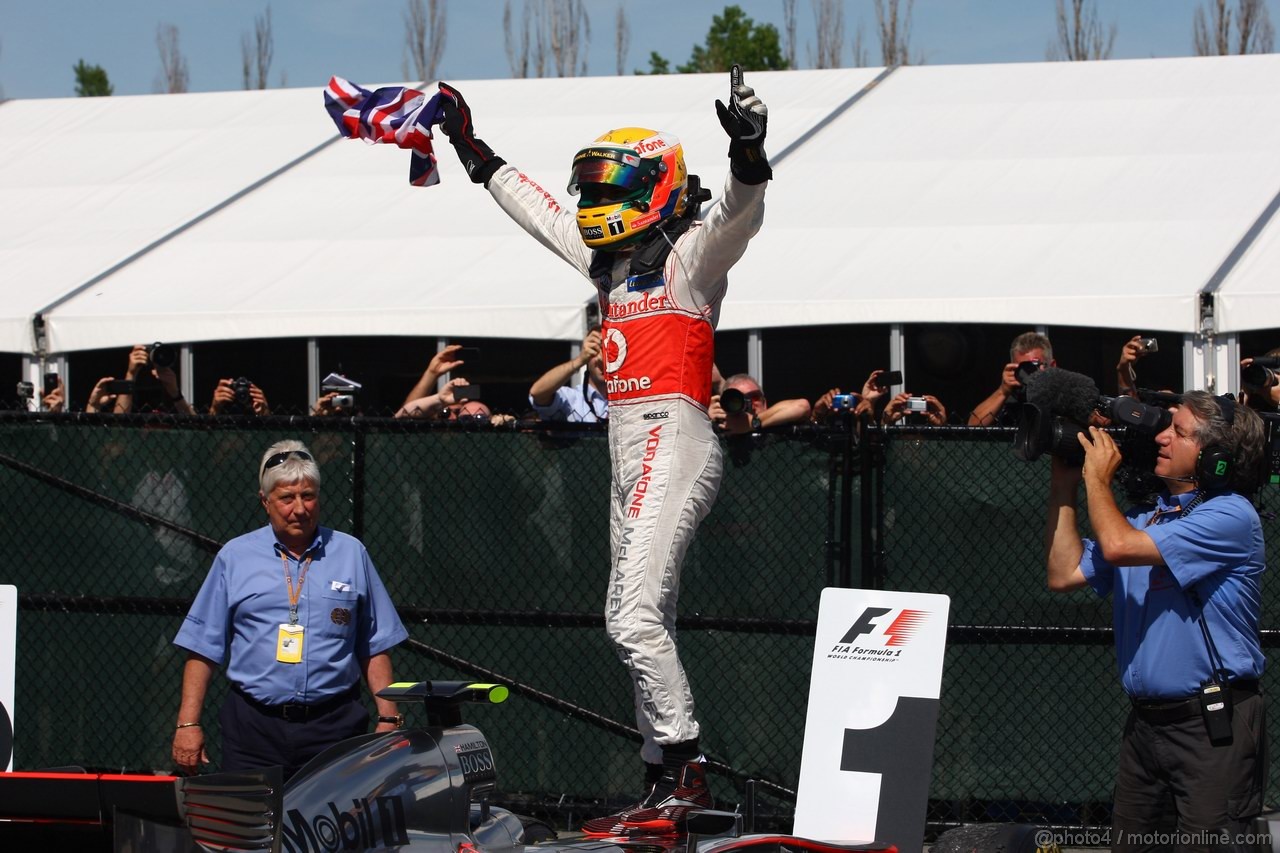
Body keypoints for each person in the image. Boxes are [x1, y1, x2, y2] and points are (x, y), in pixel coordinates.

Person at [434, 65, 771, 835]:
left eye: (611, 186)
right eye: (593, 184)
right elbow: (537, 208)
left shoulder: (690, 256)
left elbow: (742, 212)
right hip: (627, 445)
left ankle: (686, 768)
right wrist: (468, 144)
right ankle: (660, 779)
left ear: (655, 186)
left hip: (675, 435)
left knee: (628, 616)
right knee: (648, 619)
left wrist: (749, 147)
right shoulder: (606, 266)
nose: (595, 201)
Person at [1043, 392, 1267, 851]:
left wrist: (1097, 480)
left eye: (1179, 432)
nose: (1162, 437)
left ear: (1215, 457)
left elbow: (1121, 547)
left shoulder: (1230, 516)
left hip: (1210, 726)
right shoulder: (1149, 516)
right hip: (1146, 727)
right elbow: (1063, 573)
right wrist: (1064, 485)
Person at [170, 439, 408, 780]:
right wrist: (188, 723)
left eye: (308, 496)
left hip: (334, 726)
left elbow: (374, 642)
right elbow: (202, 646)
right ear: (265, 502)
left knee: (332, 826)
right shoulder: (234, 557)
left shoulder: (351, 553)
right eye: (286, 498)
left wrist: (389, 718)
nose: (299, 508)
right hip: (254, 727)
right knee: (250, 826)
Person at [968, 331, 1056, 426]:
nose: (1027, 373)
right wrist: (1003, 391)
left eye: (1033, 366)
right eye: (1021, 368)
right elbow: (973, 427)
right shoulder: (1009, 402)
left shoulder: (1063, 397)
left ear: (1052, 366)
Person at [528, 327, 608, 423]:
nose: (602, 359)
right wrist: (580, 360)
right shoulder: (572, 398)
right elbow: (537, 393)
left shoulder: (627, 400)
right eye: (596, 350)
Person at [709, 373, 810, 434]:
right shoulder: (721, 429)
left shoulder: (778, 423)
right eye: (737, 400)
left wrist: (753, 423)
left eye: (754, 397)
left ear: (764, 403)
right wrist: (705, 420)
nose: (748, 404)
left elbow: (802, 406)